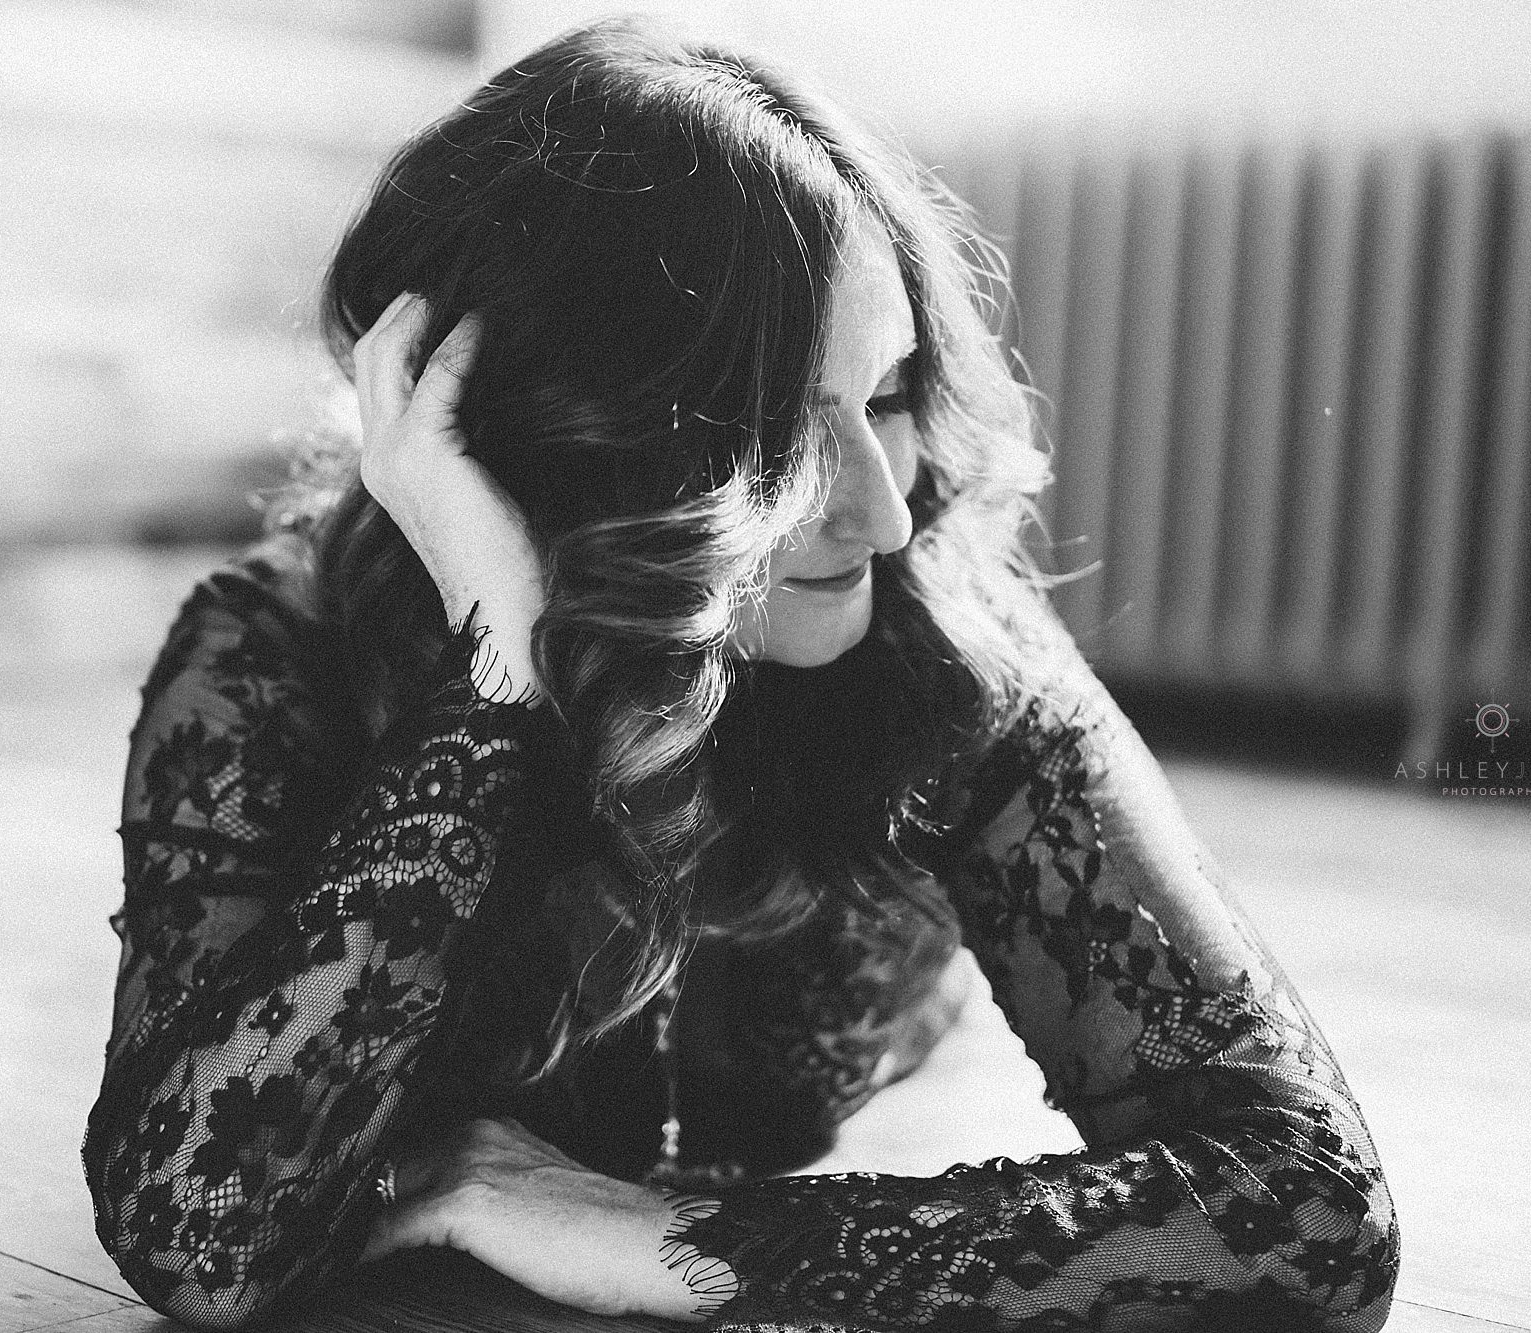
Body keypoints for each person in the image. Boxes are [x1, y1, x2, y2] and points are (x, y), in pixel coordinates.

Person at [82, 18, 1398, 1331]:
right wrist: (498, 678)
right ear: (553, 441)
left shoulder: (938, 636)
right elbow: (200, 1234)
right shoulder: (273, 650)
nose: (883, 513)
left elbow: (1312, 1209)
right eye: (779, 437)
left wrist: (670, 1244)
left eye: (883, 397)